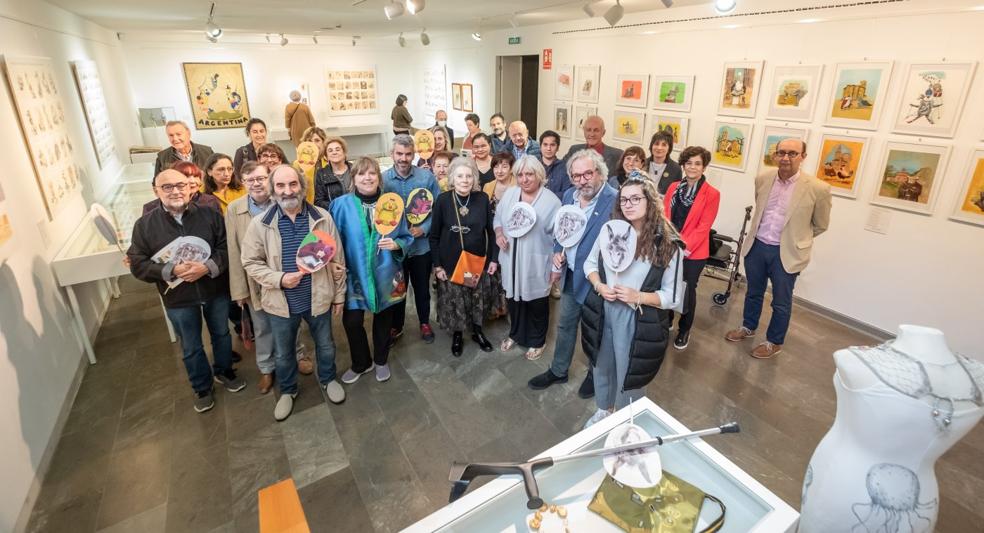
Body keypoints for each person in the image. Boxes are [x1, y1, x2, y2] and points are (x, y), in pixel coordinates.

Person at [128, 169, 245, 414]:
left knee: (222, 334)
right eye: (167, 187)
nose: (176, 191)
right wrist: (172, 270)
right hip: (178, 298)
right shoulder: (144, 225)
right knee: (191, 345)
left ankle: (225, 371)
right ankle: (202, 387)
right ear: (156, 191)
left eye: (180, 185)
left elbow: (226, 248)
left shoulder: (210, 215)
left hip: (214, 288)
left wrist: (206, 267)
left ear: (191, 187)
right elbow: (138, 263)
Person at [241, 165, 347, 421]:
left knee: (326, 345)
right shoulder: (260, 224)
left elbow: (338, 259)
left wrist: (339, 294)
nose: (288, 191)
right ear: (272, 189)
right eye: (280, 186)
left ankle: (328, 378)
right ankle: (288, 391)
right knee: (284, 351)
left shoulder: (322, 217)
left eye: (293, 184)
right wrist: (279, 279)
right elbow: (251, 262)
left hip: (318, 296)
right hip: (281, 301)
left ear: (302, 186)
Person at [582, 174, 684, 427]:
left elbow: (673, 296)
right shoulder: (611, 231)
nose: (628, 204)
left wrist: (637, 296)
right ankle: (604, 410)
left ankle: (626, 421)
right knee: (601, 364)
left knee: (629, 371)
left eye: (635, 198)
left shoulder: (669, 245)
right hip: (604, 309)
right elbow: (590, 264)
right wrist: (599, 285)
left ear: (650, 201)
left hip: (637, 318)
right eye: (624, 199)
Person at [725, 139, 832, 359]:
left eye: (792, 153)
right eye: (781, 152)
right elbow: (760, 208)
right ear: (775, 155)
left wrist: (797, 239)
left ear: (803, 156)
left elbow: (821, 224)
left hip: (786, 253)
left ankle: (774, 341)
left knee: (781, 301)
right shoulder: (763, 179)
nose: (785, 158)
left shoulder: (818, 188)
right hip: (757, 246)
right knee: (753, 292)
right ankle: (748, 326)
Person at [528, 149, 617, 396]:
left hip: (598, 281)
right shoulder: (569, 196)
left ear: (599, 172)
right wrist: (558, 253)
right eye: (576, 176)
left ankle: (594, 375)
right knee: (565, 326)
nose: (582, 180)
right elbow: (562, 231)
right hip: (571, 276)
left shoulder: (615, 200)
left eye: (587, 173)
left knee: (595, 332)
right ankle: (558, 370)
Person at [330, 157, 412, 384]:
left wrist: (398, 245)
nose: (367, 178)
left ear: (379, 177)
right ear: (353, 179)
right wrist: (332, 263)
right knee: (353, 321)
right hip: (353, 274)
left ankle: (381, 359)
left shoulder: (392, 205)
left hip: (386, 272)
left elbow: (405, 236)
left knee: (384, 318)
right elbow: (332, 240)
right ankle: (361, 363)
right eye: (361, 174)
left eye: (372, 173)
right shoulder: (340, 205)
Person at [493, 155, 561, 361]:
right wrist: (499, 234)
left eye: (529, 174)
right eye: (520, 175)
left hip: (536, 260)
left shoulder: (552, 201)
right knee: (513, 299)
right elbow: (498, 218)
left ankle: (537, 340)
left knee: (537, 302)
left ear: (539, 175)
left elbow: (559, 237)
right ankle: (515, 334)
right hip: (510, 258)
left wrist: (556, 267)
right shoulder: (510, 194)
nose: (524, 179)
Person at [429, 157, 498, 357]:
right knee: (455, 300)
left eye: (469, 176)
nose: (465, 180)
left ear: (474, 178)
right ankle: (458, 334)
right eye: (460, 176)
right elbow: (433, 237)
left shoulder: (482, 199)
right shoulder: (443, 200)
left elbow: (491, 232)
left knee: (475, 298)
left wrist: (493, 259)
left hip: (475, 261)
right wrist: (438, 266)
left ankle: (477, 331)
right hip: (450, 262)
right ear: (452, 177)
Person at [382, 134, 442, 344]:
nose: (404, 158)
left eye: (408, 154)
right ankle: (396, 327)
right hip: (396, 249)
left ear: (414, 154)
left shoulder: (427, 178)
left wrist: (424, 228)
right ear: (392, 154)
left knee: (422, 289)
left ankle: (424, 322)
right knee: (397, 290)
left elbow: (439, 209)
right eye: (399, 154)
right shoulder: (383, 180)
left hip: (421, 248)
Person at [664, 146, 720, 350]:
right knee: (667, 284)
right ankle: (667, 319)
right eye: (689, 163)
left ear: (704, 166)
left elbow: (704, 226)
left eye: (697, 163)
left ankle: (684, 329)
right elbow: (665, 217)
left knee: (687, 289)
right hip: (669, 246)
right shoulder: (673, 187)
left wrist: (683, 246)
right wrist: (668, 241)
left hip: (693, 252)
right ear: (683, 164)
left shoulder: (712, 194)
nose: (693, 167)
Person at [142, 161, 220, 214]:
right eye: (187, 176)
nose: (193, 181)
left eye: (196, 176)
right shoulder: (150, 208)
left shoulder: (210, 201)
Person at [313, 136, 352, 210]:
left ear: (344, 152)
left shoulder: (356, 170)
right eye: (330, 151)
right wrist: (338, 205)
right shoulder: (321, 174)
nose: (334, 152)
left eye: (338, 149)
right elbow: (318, 202)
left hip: (357, 214)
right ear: (326, 156)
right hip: (335, 216)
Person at [648, 129, 682, 194]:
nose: (659, 148)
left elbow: (676, 193)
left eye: (664, 145)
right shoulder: (642, 163)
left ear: (669, 148)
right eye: (656, 144)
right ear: (652, 146)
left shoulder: (676, 169)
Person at [540, 130, 570, 199]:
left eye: (552, 145)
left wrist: (547, 197)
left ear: (558, 147)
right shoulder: (533, 167)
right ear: (540, 146)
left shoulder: (565, 168)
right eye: (545, 144)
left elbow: (567, 192)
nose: (548, 148)